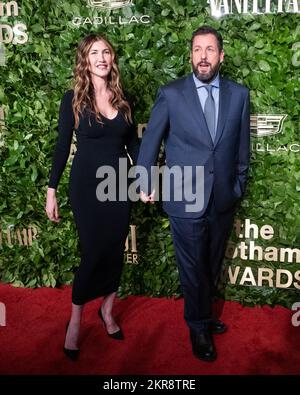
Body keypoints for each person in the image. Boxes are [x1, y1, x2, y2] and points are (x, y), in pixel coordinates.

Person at [137, 26, 250, 362]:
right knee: (193, 266)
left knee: (211, 263)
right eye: (198, 49)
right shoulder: (172, 94)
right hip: (183, 196)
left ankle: (203, 313)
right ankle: (198, 325)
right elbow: (151, 141)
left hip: (222, 197)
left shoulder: (239, 95)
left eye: (210, 49)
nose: (203, 56)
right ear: (190, 55)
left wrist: (236, 186)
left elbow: (242, 150)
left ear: (221, 56)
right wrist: (145, 181)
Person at [45, 34, 139, 360]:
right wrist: (51, 189)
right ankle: (75, 321)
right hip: (86, 187)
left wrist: (144, 179)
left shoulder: (123, 99)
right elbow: (61, 147)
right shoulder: (72, 98)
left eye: (106, 52)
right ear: (85, 60)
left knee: (114, 252)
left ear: (112, 58)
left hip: (119, 186)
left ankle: (107, 312)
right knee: (93, 253)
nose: (101, 58)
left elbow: (134, 147)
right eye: (94, 53)